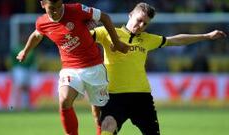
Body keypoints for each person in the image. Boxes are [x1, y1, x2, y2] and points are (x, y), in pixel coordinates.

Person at [91, 2, 227, 135]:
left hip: (141, 97)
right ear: (130, 15)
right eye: (139, 20)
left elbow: (177, 40)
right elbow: (79, 37)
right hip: (114, 96)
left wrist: (206, 36)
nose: (141, 26)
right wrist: (84, 25)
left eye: (145, 23)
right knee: (107, 125)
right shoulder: (107, 32)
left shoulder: (148, 39)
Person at [16, 0, 129, 135]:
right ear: (42, 4)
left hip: (94, 66)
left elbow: (105, 17)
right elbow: (36, 35)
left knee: (98, 115)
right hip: (70, 68)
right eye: (52, 8)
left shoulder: (77, 9)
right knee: (64, 100)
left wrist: (117, 43)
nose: (57, 11)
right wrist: (25, 51)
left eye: (59, 7)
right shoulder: (42, 22)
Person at [11, 43, 36, 110]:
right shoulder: (16, 49)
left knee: (26, 88)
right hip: (19, 69)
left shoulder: (31, 50)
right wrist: (13, 69)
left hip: (28, 70)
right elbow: (13, 60)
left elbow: (33, 61)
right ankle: (14, 106)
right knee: (18, 87)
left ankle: (26, 106)